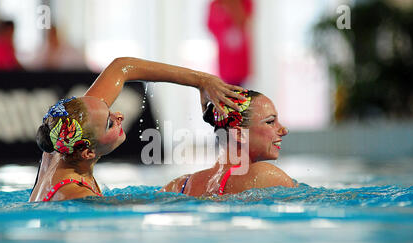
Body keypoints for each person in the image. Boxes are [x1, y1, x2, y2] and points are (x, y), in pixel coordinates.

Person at [29, 57, 244, 202]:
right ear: (88, 152)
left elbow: (121, 66)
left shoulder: (62, 139)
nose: (119, 115)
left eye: (109, 108)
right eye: (110, 123)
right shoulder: (74, 195)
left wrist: (202, 81)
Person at [161, 90, 295, 196]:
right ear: (238, 134)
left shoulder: (179, 185)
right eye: (270, 122)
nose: (284, 130)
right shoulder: (264, 175)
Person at [207, 0, 253, 86]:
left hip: (240, 64)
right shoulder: (215, 4)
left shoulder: (244, 2)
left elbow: (243, 21)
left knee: (240, 92)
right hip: (224, 63)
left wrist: (233, 5)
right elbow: (210, 25)